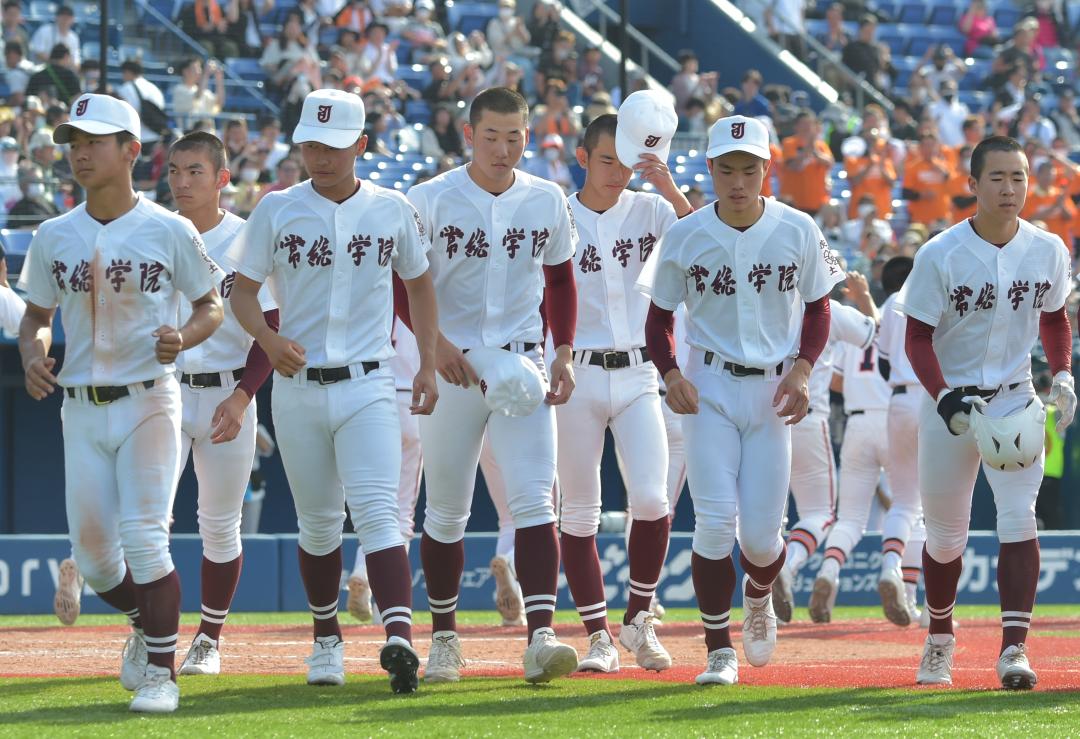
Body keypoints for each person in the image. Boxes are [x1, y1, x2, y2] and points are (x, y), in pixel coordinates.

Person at [227, 89, 440, 694]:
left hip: (371, 381)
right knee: (318, 524)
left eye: (332, 145)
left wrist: (424, 362)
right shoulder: (275, 208)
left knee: (379, 513)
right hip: (296, 385)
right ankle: (326, 641)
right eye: (311, 144)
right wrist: (267, 346)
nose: (318, 155)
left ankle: (399, 636)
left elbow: (420, 288)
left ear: (362, 147)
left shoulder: (391, 207)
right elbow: (243, 294)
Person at [17, 93, 226, 713]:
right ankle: (147, 621)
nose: (80, 152)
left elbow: (210, 305)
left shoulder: (169, 227)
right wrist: (33, 354)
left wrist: (183, 337)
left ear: (132, 151)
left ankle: (163, 672)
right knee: (95, 558)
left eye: (94, 141)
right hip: (79, 404)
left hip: (147, 398)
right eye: (74, 142)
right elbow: (35, 318)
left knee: (144, 538)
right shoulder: (54, 233)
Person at [639, 115, 843, 686]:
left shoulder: (798, 227)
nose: (736, 179)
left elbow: (820, 305)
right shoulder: (685, 233)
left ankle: (758, 595)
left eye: (748, 168)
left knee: (759, 537)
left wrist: (804, 368)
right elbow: (657, 318)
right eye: (725, 168)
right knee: (711, 524)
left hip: (774, 389)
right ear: (708, 169)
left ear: (765, 169)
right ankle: (717, 650)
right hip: (709, 385)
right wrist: (671, 370)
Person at [406, 86, 580, 685]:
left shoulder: (547, 198)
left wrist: (563, 351)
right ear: (468, 136)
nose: (503, 148)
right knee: (448, 511)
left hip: (522, 363)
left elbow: (560, 281)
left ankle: (540, 637)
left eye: (514, 136)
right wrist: (437, 348)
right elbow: (405, 287)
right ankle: (445, 640)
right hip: (453, 367)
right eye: (491, 137)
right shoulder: (428, 199)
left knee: (536, 502)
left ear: (528, 137)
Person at [895, 135, 1075, 689]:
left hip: (1016, 396)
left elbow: (1052, 318)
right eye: (997, 177)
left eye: (1018, 177)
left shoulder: (1048, 248)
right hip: (950, 401)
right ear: (972, 185)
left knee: (1019, 519)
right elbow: (917, 337)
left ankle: (1014, 649)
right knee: (947, 535)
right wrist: (945, 396)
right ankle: (940, 640)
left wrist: (1063, 370)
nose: (1009, 188)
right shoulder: (939, 253)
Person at [557, 94, 692, 675]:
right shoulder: (556, 212)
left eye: (626, 161)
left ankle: (638, 618)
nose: (618, 172)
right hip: (576, 372)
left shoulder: (653, 210)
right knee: (580, 512)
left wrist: (667, 185)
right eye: (606, 160)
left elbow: (711, 244)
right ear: (583, 157)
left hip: (640, 370)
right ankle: (597, 636)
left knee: (653, 499)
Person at [165, 131, 278, 676]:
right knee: (145, 521)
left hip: (228, 391)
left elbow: (270, 328)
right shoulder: (155, 232)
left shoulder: (247, 238)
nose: (182, 182)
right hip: (164, 391)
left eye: (195, 172)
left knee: (220, 524)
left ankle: (208, 638)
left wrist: (242, 396)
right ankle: (149, 632)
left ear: (223, 179)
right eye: (175, 172)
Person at [773, 271, 879, 624]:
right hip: (807, 415)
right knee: (820, 513)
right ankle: (788, 566)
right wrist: (864, 300)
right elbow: (876, 336)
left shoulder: (769, 306)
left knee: (763, 517)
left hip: (761, 419)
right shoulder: (833, 310)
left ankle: (757, 592)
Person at [806, 329, 895, 624]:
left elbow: (835, 378)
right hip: (896, 416)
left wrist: (862, 388)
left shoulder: (854, 327)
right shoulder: (907, 316)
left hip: (857, 422)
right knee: (910, 510)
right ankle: (898, 580)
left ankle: (829, 571)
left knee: (849, 519)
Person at [345, 316, 424, 624]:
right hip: (413, 401)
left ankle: (362, 572)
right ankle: (385, 608)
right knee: (401, 512)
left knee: (373, 506)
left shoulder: (376, 289)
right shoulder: (424, 290)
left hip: (371, 399)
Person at [875, 255, 929, 625]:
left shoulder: (889, 303)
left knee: (905, 503)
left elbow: (881, 364)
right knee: (937, 507)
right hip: (932, 398)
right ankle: (933, 606)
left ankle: (896, 573)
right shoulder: (934, 291)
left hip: (898, 400)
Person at [780, 109, 834, 217]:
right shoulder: (789, 143)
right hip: (794, 203)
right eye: (804, 123)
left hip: (817, 203)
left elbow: (829, 163)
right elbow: (793, 166)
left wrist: (814, 149)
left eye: (810, 123)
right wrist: (807, 148)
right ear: (796, 126)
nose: (807, 127)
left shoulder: (821, 145)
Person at [172, 58, 226, 133]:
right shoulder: (179, 90)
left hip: (207, 136)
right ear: (185, 71)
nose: (200, 72)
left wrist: (219, 79)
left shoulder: (204, 92)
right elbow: (197, 97)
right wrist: (206, 74)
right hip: (189, 136)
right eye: (196, 68)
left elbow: (219, 104)